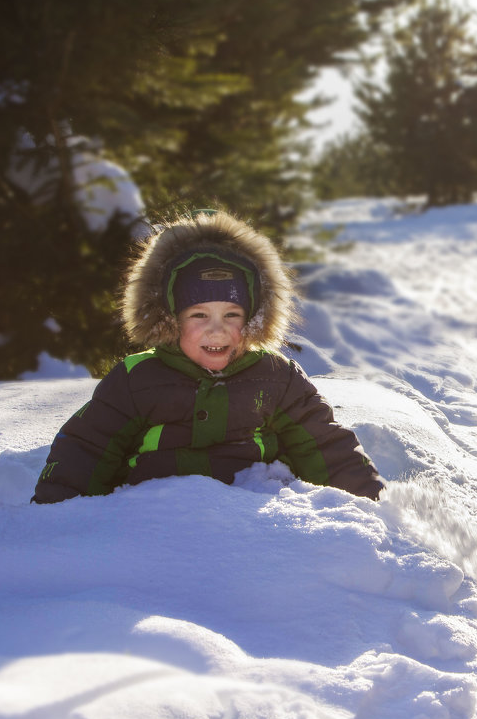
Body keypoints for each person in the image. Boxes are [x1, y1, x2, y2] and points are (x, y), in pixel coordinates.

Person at [32, 209, 384, 503]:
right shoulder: (136, 379)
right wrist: (54, 519)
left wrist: (372, 507)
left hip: (256, 529)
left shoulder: (276, 377)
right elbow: (87, 449)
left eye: (232, 315)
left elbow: (325, 446)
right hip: (153, 526)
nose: (217, 331)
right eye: (199, 315)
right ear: (169, 319)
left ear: (254, 317)